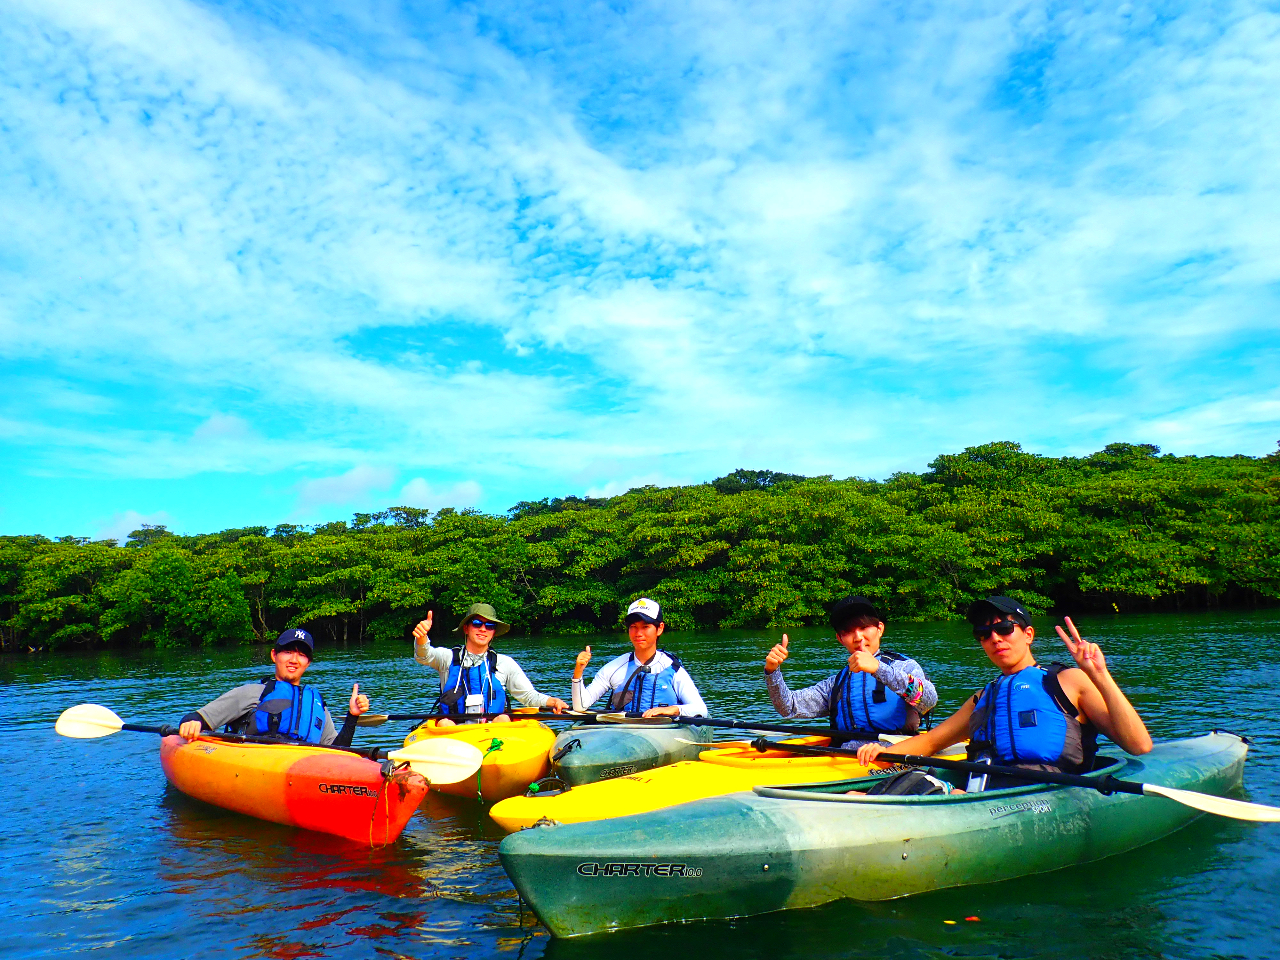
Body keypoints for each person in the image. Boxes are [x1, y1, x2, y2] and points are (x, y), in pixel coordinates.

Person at [856, 596, 1153, 790]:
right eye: (984, 635)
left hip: (1044, 796)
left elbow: (1138, 745)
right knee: (879, 786)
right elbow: (932, 741)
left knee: (910, 785)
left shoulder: (1069, 680)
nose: (994, 639)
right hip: (984, 797)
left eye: (1004, 628)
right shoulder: (983, 697)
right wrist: (879, 753)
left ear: (1028, 634)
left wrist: (1100, 675)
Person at [763, 595, 936, 747]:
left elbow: (929, 700)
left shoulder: (904, 667)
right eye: (849, 632)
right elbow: (788, 707)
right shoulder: (837, 683)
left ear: (880, 629)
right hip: (847, 758)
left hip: (897, 754)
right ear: (840, 639)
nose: (858, 637)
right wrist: (773, 671)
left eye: (864, 628)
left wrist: (878, 669)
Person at [177, 628, 369, 745]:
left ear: (308, 663)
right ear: (274, 655)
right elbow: (198, 717)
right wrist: (192, 724)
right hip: (255, 766)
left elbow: (338, 750)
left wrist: (352, 717)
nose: (294, 659)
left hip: (300, 771)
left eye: (301, 655)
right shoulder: (252, 693)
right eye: (287, 652)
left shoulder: (317, 705)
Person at [412, 603, 569, 726]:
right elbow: (424, 656)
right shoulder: (448, 658)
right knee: (444, 723)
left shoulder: (505, 663)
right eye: (477, 623)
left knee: (503, 719)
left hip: (492, 730)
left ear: (494, 632)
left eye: (489, 626)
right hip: (454, 731)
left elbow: (528, 696)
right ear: (466, 628)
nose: (483, 629)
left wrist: (553, 701)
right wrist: (422, 638)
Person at [571, 597, 709, 718]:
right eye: (633, 626)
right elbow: (580, 706)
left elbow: (700, 709)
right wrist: (578, 672)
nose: (638, 633)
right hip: (624, 735)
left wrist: (672, 710)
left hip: (664, 733)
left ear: (660, 628)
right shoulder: (615, 667)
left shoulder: (672, 669)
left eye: (645, 626)